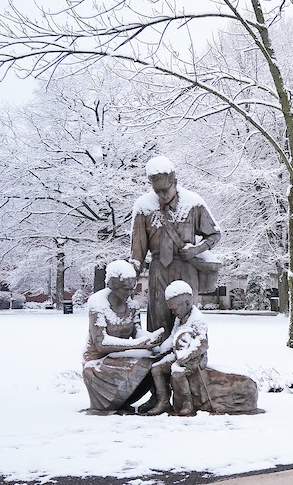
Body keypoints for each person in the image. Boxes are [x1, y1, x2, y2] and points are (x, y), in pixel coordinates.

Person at [131, 156, 221, 333]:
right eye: (158, 191)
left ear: (175, 182)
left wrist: (196, 249)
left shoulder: (193, 204)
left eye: (166, 189)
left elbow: (214, 234)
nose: (162, 195)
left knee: (186, 318)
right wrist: (131, 278)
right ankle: (158, 355)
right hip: (158, 269)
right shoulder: (144, 207)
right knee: (158, 316)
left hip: (186, 267)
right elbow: (137, 251)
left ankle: (188, 354)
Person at [81, 260, 165, 413]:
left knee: (154, 357)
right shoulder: (98, 304)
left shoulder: (132, 306)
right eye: (125, 289)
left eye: (132, 288)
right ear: (112, 287)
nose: (129, 293)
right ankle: (114, 400)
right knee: (142, 361)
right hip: (98, 362)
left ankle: (157, 399)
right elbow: (101, 343)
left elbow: (137, 332)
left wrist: (151, 339)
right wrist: (138, 344)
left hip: (120, 357)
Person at [142, 281, 208, 416]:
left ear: (187, 303)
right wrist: (160, 349)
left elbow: (202, 344)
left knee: (177, 372)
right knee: (156, 368)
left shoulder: (197, 320)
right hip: (179, 356)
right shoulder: (179, 319)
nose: (173, 312)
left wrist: (187, 355)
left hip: (195, 359)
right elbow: (173, 337)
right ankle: (163, 400)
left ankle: (187, 402)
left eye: (174, 309)